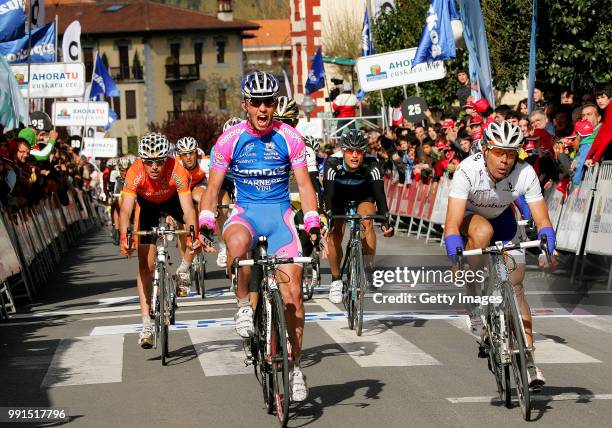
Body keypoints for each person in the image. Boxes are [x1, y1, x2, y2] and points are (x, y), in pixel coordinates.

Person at [197, 70, 319, 402]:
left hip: (280, 217)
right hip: (246, 214)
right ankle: (242, 305)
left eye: (269, 102)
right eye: (256, 103)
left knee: (293, 294)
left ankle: (294, 368)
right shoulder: (230, 139)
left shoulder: (290, 137)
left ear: (276, 104)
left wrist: (312, 222)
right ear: (245, 105)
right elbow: (213, 188)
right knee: (236, 244)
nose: (263, 109)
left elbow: (305, 186)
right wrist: (206, 219)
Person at [443, 121, 558, 391]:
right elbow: (451, 223)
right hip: (471, 221)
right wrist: (455, 258)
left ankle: (529, 362)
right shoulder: (467, 170)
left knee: (516, 286)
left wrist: (548, 247)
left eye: (511, 153)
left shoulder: (524, 172)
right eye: (498, 152)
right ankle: (474, 300)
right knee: (481, 231)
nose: (505, 160)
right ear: (485, 150)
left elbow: (543, 220)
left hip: (504, 221)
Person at [119, 133, 201, 348]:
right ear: (142, 161)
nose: (154, 167)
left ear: (167, 159)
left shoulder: (178, 170)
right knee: (145, 265)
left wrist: (194, 234)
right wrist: (124, 234)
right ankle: (146, 322)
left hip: (172, 200)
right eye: (149, 162)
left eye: (159, 161)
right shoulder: (134, 172)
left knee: (196, 231)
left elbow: (188, 210)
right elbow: (126, 208)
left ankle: (183, 269)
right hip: (147, 207)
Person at [324, 130, 394, 304]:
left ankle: (369, 270)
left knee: (366, 221)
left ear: (365, 152)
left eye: (359, 151)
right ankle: (336, 280)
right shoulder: (333, 162)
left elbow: (379, 195)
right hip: (339, 197)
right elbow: (329, 195)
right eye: (350, 151)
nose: (354, 155)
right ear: (343, 151)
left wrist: (385, 220)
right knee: (335, 232)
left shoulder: (372, 163)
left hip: (363, 197)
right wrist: (327, 217)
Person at [211, 117, 241, 269]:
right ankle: (223, 246)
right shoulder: (217, 148)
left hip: (242, 177)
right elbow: (214, 179)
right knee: (221, 205)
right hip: (225, 179)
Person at [174, 136, 209, 261]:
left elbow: (212, 186)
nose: (188, 157)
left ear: (196, 152)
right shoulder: (175, 164)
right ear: (180, 155)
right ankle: (185, 264)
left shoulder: (204, 161)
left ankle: (203, 227)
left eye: (191, 153)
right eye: (184, 154)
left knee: (200, 196)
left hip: (198, 185)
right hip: (181, 190)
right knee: (182, 229)